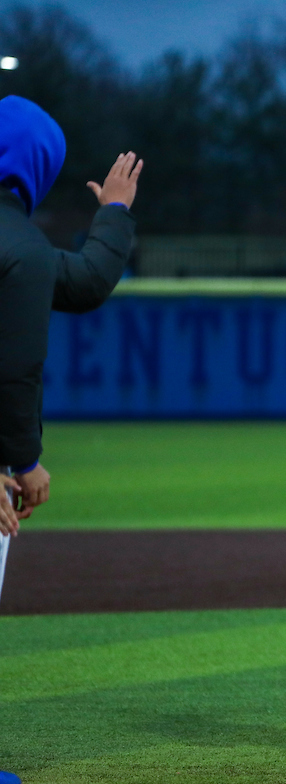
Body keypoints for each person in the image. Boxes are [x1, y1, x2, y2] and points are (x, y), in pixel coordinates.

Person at [0, 95, 143, 600]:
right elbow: (16, 367)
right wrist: (22, 459)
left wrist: (112, 215)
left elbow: (82, 281)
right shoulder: (20, 245)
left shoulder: (24, 249)